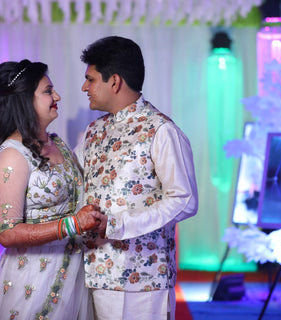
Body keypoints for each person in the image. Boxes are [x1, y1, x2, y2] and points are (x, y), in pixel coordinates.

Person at [74, 36, 199, 320]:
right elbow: (72, 180)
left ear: (114, 81)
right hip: (91, 271)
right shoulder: (94, 131)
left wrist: (118, 224)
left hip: (141, 279)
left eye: (90, 79)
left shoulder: (161, 130)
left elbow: (184, 200)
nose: (85, 87)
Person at [0, 59, 101, 320]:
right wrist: (73, 224)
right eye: (48, 91)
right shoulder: (12, 156)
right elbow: (7, 233)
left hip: (75, 272)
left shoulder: (58, 144)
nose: (57, 96)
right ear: (25, 100)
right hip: (35, 280)